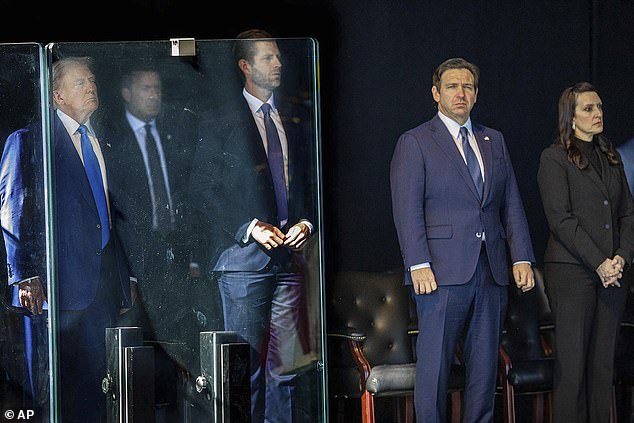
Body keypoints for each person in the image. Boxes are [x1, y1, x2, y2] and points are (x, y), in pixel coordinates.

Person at [390, 57, 535, 423]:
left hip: (491, 271)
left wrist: (521, 257)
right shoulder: (416, 141)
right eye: (452, 86)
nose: (460, 93)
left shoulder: (494, 140)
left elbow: (512, 203)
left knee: (484, 372)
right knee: (435, 368)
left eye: (467, 87)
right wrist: (418, 263)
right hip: (440, 274)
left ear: (475, 94)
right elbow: (407, 209)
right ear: (436, 93)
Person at [188, 29, 315, 423]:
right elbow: (202, 189)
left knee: (286, 372)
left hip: (289, 262)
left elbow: (307, 182)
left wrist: (307, 222)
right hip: (244, 263)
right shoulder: (221, 120)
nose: (277, 64)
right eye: (267, 58)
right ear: (245, 66)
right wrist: (249, 227)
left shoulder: (292, 119)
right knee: (244, 371)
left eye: (277, 57)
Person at [0, 56, 131, 422]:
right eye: (80, 83)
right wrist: (25, 275)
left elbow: (111, 217)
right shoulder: (29, 140)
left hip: (100, 292)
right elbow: (14, 211)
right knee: (58, 397)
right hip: (53, 295)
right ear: (57, 96)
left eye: (92, 81)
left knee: (98, 394)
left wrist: (124, 279)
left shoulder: (101, 142)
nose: (91, 87)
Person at [537, 81, 634, 423]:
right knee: (573, 365)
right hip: (572, 272)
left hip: (614, 273)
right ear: (571, 116)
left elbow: (627, 213)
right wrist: (599, 263)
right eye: (588, 109)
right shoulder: (554, 158)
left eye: (600, 108)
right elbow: (561, 220)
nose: (598, 114)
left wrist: (621, 256)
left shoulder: (611, 155)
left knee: (601, 365)